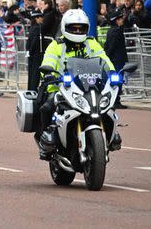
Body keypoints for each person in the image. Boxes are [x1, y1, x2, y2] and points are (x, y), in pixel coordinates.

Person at [37, 9, 116, 159]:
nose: (78, 31)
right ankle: (47, 139)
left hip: (88, 86)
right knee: (47, 107)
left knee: (109, 106)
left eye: (81, 28)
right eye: (74, 28)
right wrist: (48, 73)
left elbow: (104, 60)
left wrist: (112, 73)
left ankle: (113, 136)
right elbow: (48, 61)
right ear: (65, 27)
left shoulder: (92, 44)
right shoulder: (56, 45)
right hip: (61, 87)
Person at [103, 9, 128, 109]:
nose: (122, 20)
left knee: (115, 80)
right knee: (118, 80)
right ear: (116, 20)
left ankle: (114, 100)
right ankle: (116, 100)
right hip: (117, 60)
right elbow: (112, 46)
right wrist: (108, 57)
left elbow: (107, 45)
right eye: (120, 18)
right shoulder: (116, 31)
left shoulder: (111, 30)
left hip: (114, 59)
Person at [26, 10, 46, 92]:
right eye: (40, 17)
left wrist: (28, 51)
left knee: (32, 72)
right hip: (36, 54)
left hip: (32, 53)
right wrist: (31, 51)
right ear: (36, 18)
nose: (42, 19)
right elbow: (34, 41)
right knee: (35, 73)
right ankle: (33, 89)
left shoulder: (32, 28)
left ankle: (31, 88)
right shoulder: (37, 28)